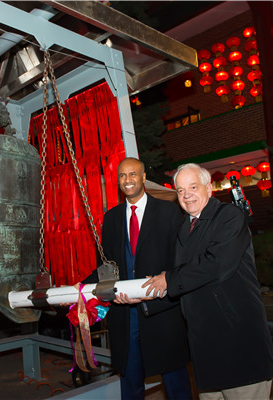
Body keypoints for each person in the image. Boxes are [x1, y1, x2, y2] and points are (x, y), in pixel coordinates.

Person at [143, 163, 273, 400]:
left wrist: (169, 280)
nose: (187, 195)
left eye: (193, 187)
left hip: (238, 343)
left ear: (209, 188)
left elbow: (215, 266)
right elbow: (184, 281)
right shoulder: (184, 228)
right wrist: (146, 293)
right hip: (205, 349)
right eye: (181, 190)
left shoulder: (229, 216)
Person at [82, 157, 192, 400]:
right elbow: (106, 265)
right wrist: (80, 289)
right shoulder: (111, 218)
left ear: (143, 178)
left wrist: (169, 280)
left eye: (133, 174)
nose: (127, 180)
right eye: (122, 175)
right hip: (124, 314)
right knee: (130, 383)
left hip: (162, 310)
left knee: (176, 382)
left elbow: (183, 260)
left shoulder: (169, 212)